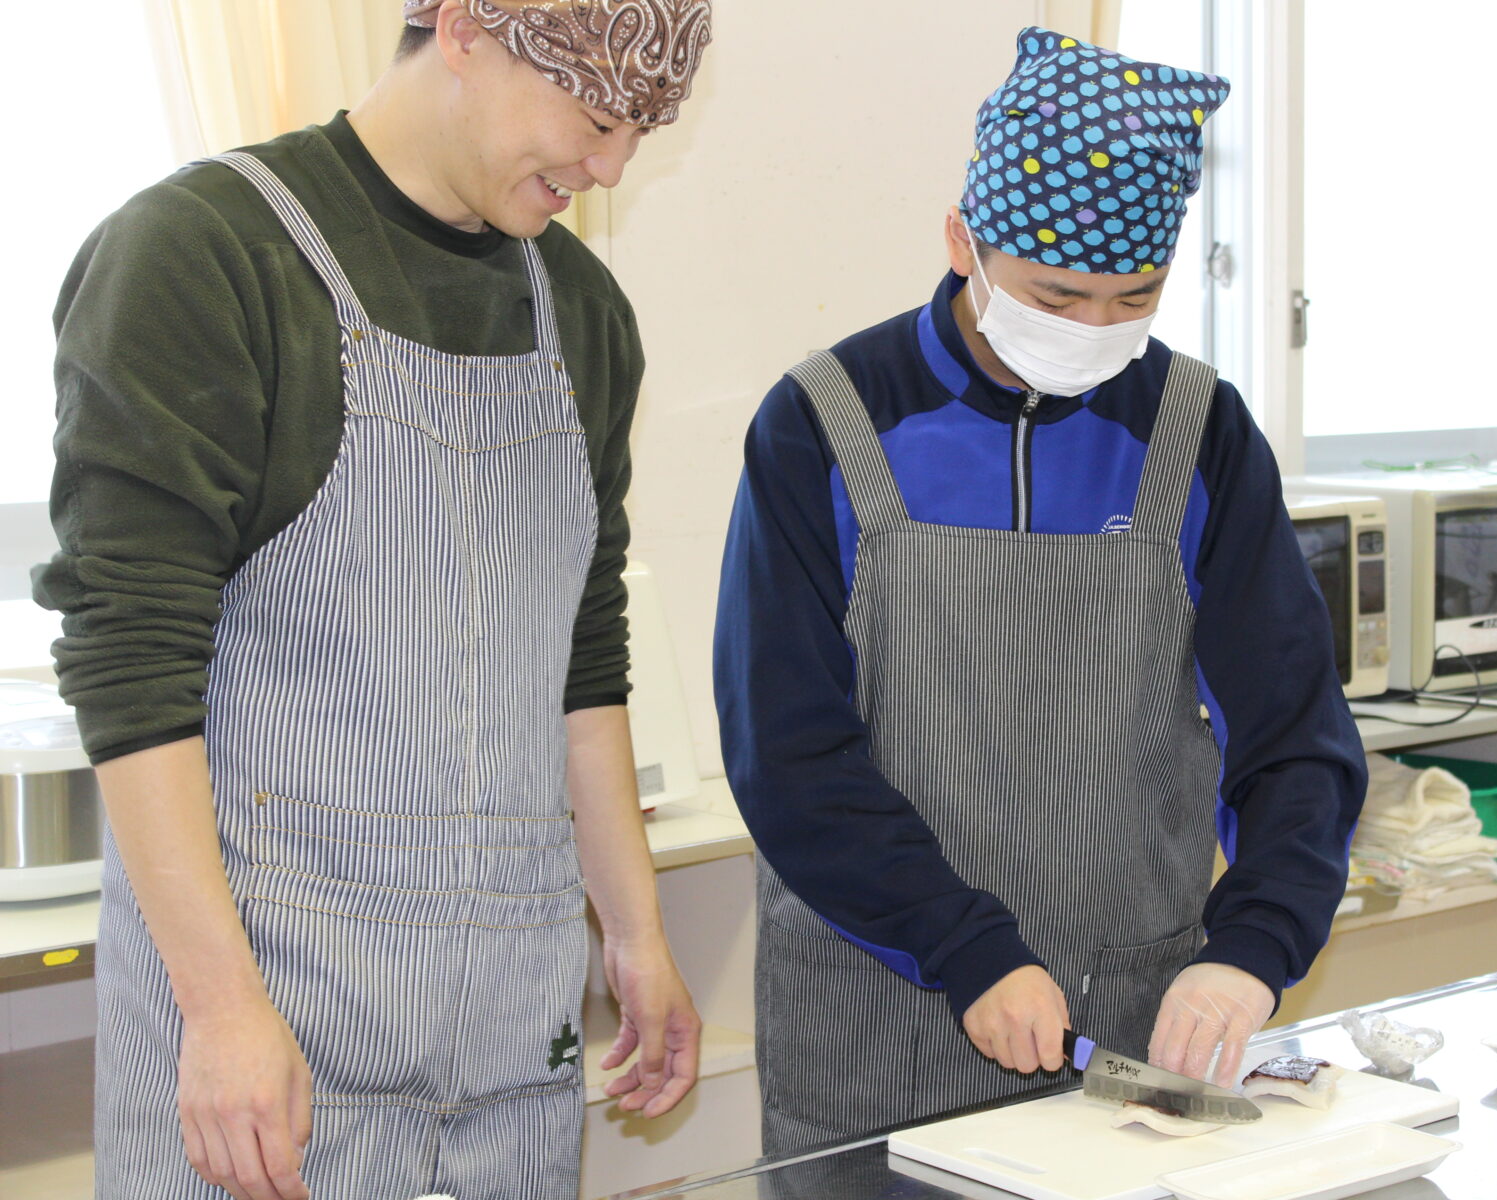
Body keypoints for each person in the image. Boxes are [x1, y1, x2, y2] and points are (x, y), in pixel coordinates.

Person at [34, 2, 713, 1196]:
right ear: (463, 29)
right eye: (597, 117)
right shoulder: (206, 256)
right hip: (270, 1037)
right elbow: (131, 666)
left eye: (642, 134)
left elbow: (581, 654)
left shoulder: (582, 315)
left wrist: (636, 932)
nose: (608, 168)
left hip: (508, 1038)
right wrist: (222, 1009)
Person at [714, 26, 1366, 1153]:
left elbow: (1296, 736)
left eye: (1135, 299)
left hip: (1133, 1025)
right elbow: (789, 750)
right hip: (882, 1015)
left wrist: (1252, 946)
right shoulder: (825, 422)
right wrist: (965, 946)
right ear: (967, 241)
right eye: (1058, 298)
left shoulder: (1196, 430)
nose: (1094, 333)